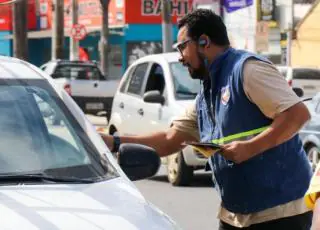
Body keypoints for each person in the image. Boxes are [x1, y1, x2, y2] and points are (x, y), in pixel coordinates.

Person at [99, 9, 313, 229]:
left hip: (280, 211)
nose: (181, 57)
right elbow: (170, 139)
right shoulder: (207, 92)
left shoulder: (248, 70)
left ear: (204, 41)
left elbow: (297, 114)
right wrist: (113, 142)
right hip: (235, 212)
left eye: (182, 46)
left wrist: (250, 147)